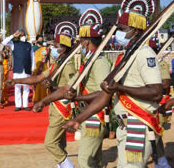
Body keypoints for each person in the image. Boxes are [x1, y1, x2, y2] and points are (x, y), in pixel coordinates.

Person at [63, 0, 164, 167]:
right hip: (124, 127)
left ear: (136, 29)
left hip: (138, 126)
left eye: (122, 29)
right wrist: (78, 119)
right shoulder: (125, 56)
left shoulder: (145, 54)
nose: (118, 32)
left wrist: (120, 88)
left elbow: (156, 92)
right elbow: (104, 96)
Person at [35, 9, 111, 168]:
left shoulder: (100, 62)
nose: (79, 44)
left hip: (94, 116)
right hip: (86, 115)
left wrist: (77, 98)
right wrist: (44, 101)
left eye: (81, 40)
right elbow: (67, 88)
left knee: (85, 162)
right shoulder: (88, 61)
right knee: (93, 162)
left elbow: (104, 93)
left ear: (86, 42)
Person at [6, 24, 77, 168]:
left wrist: (49, 92)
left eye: (56, 46)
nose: (53, 48)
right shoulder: (57, 63)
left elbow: (69, 89)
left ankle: (68, 166)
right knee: (59, 142)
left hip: (62, 106)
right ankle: (61, 165)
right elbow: (38, 78)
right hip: (54, 105)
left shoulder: (68, 65)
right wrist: (15, 80)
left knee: (50, 143)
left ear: (63, 48)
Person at [3, 29, 34, 111]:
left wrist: (33, 67)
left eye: (23, 35)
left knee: (26, 88)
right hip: (18, 69)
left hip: (27, 69)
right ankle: (18, 105)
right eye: (20, 35)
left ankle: (25, 105)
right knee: (17, 87)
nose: (22, 36)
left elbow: (32, 57)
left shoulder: (29, 45)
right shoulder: (13, 44)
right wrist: (13, 36)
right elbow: (3, 43)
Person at [32, 35, 50, 103]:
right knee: (36, 83)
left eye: (42, 39)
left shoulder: (45, 49)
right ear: (36, 40)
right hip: (36, 68)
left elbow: (47, 60)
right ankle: (36, 99)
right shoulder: (33, 48)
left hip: (44, 68)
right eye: (39, 39)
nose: (41, 40)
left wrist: (48, 69)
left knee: (43, 84)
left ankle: (44, 99)